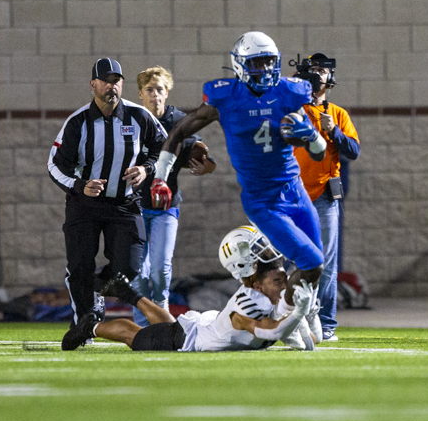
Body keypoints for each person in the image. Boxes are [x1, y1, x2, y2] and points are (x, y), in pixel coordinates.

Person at [149, 31, 326, 322]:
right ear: (241, 65)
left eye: (270, 62)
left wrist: (312, 136)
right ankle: (285, 319)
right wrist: (160, 176)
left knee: (316, 264)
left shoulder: (289, 92)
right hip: (263, 200)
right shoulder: (225, 97)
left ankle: (305, 313)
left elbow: (318, 153)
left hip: (295, 192)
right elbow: (179, 132)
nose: (266, 70)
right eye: (258, 63)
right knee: (312, 262)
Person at [47, 58, 167, 348]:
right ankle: (85, 321)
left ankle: (97, 292)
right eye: (105, 80)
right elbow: (54, 165)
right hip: (84, 205)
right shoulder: (77, 122)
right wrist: (80, 185)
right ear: (93, 85)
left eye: (116, 80)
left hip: (124, 204)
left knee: (131, 267)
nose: (111, 86)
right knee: (80, 265)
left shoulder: (139, 116)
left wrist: (146, 169)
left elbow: (164, 146)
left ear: (122, 85)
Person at [62, 226, 316, 352]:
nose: (284, 283)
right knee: (136, 337)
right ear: (256, 282)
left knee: (169, 326)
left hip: (201, 326)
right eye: (278, 280)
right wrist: (298, 314)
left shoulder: (266, 292)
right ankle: (90, 326)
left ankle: (128, 293)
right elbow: (272, 332)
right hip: (188, 341)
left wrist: (303, 316)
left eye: (284, 277)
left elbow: (308, 341)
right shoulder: (246, 305)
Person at [131, 66, 216, 327]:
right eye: (149, 90)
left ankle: (163, 318)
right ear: (140, 94)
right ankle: (143, 325)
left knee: (159, 269)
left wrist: (205, 164)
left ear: (167, 92)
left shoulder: (177, 121)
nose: (155, 95)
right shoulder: (130, 120)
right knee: (138, 273)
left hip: (166, 206)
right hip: (132, 206)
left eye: (159, 89)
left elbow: (203, 155)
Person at [293, 53, 360, 342]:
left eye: (322, 70)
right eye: (313, 70)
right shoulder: (293, 108)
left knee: (328, 262)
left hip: (324, 195)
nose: (318, 75)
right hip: (292, 193)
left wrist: (333, 131)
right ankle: (288, 318)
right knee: (289, 258)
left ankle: (326, 323)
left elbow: (353, 151)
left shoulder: (339, 114)